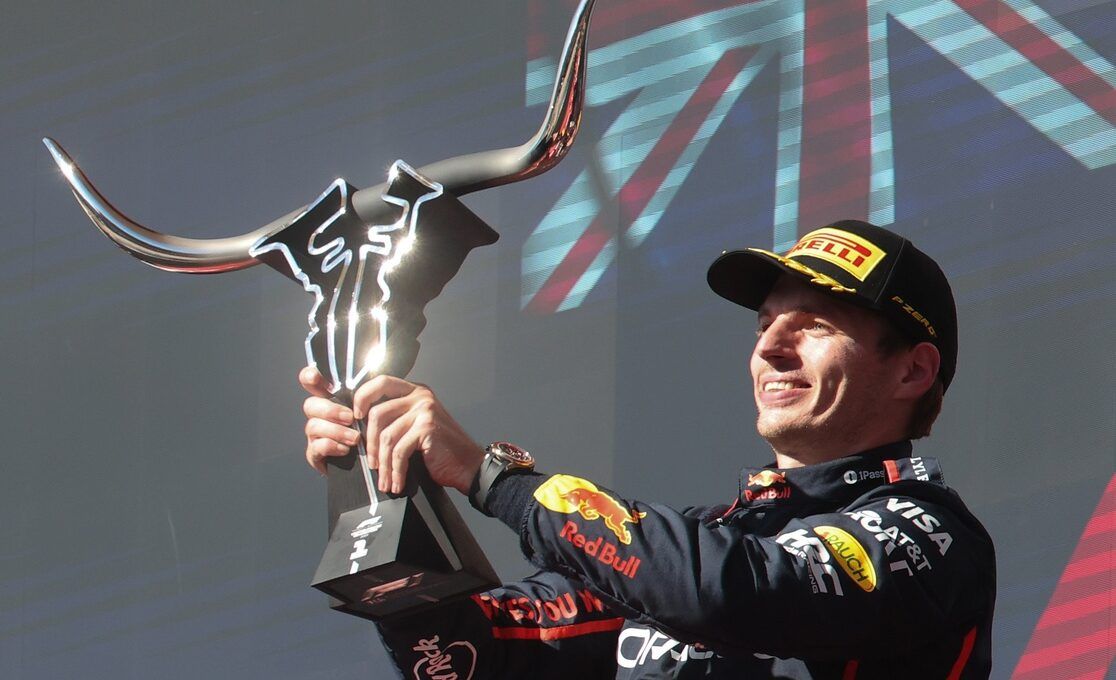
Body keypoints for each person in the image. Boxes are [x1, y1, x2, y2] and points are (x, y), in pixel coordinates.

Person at [300, 220, 996, 679]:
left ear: (913, 370)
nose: (770, 348)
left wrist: (494, 478)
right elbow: (470, 656)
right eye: (764, 325)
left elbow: (733, 591)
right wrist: (386, 481)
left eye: (812, 326)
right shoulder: (694, 546)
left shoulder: (929, 536)